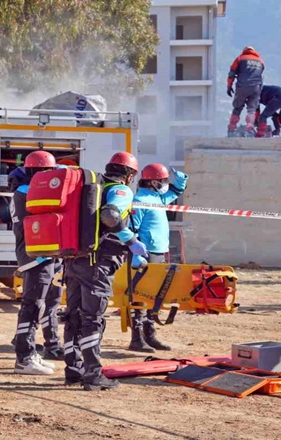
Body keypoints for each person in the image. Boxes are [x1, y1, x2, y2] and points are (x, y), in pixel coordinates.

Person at [64, 151, 148, 391]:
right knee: (92, 317)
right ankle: (93, 375)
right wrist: (130, 240)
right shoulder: (120, 190)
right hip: (98, 262)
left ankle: (73, 370)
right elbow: (110, 215)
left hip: (74, 259)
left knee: (73, 316)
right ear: (130, 174)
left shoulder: (91, 189)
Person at [9, 152, 63, 375]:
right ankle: (24, 358)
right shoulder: (28, 193)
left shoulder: (26, 191)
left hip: (40, 255)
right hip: (35, 256)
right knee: (32, 307)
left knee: (40, 304)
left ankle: (31, 354)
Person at [127, 163, 188, 352]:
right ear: (153, 181)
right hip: (146, 255)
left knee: (154, 297)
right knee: (141, 296)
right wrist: (135, 254)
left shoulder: (157, 198)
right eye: (162, 181)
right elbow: (132, 228)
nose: (164, 184)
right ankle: (137, 339)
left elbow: (175, 192)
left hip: (159, 253)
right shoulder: (140, 199)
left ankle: (150, 336)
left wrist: (181, 180)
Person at [226, 46, 265, 137]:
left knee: (237, 108)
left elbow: (231, 73)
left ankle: (232, 128)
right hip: (256, 87)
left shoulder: (240, 58)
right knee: (251, 110)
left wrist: (229, 86)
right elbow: (260, 74)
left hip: (242, 87)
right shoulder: (261, 61)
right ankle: (250, 128)